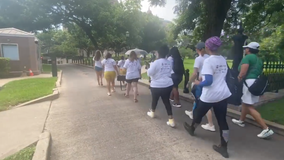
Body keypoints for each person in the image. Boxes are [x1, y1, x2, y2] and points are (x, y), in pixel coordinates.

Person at [184, 36, 232, 158]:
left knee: (198, 114)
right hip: (223, 94)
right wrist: (204, 78)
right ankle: (224, 147)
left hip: (210, 95)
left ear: (207, 47)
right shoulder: (222, 59)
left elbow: (209, 81)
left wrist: (198, 82)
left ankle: (192, 129)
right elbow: (218, 75)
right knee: (222, 121)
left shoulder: (208, 61)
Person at [232, 42, 274, 138]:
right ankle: (241, 121)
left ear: (249, 49)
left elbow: (243, 71)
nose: (245, 49)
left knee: (249, 106)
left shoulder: (248, 57)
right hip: (255, 82)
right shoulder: (259, 60)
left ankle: (266, 128)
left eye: (246, 48)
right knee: (245, 102)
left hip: (248, 82)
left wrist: (239, 78)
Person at [184, 42, 216, 132]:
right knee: (197, 98)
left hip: (201, 82)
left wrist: (189, 82)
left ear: (199, 49)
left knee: (204, 102)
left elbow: (195, 73)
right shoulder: (210, 58)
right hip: (207, 81)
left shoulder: (199, 59)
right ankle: (192, 112)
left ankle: (211, 124)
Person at [147, 45, 175, 127]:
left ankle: (152, 112)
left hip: (156, 85)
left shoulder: (156, 62)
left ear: (158, 53)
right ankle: (171, 120)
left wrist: (150, 67)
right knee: (166, 102)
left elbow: (149, 73)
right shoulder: (169, 62)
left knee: (154, 100)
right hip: (168, 84)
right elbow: (170, 72)